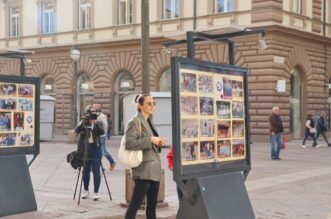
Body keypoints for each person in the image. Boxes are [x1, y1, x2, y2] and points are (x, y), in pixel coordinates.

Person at [124, 94, 166, 219]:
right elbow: (129, 143)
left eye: (153, 103)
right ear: (140, 106)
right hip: (143, 170)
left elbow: (150, 142)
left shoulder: (149, 121)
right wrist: (151, 139)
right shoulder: (135, 121)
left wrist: (158, 142)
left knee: (152, 207)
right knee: (135, 206)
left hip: (154, 170)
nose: (152, 106)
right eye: (149, 103)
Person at [76, 105, 105, 201]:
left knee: (96, 171)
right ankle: (85, 190)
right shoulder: (84, 123)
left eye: (94, 113)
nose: (92, 116)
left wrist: (95, 123)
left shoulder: (98, 122)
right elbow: (77, 131)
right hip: (86, 150)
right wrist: (83, 122)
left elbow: (102, 131)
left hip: (96, 150)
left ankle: (96, 192)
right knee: (85, 172)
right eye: (90, 113)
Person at [91, 104, 116, 171]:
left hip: (101, 136)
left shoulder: (101, 115)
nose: (92, 107)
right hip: (96, 136)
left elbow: (105, 125)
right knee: (98, 152)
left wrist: (102, 133)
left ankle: (112, 162)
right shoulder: (95, 114)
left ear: (97, 108)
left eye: (93, 107)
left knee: (102, 151)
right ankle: (100, 166)